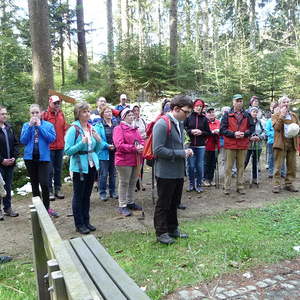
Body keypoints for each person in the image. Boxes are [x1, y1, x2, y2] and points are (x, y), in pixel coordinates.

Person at [153, 94, 194, 245]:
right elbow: (158, 150)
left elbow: (175, 144)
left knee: (174, 202)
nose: (188, 115)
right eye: (186, 112)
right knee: (163, 203)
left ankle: (173, 228)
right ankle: (161, 232)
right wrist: (181, 153)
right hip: (165, 172)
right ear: (176, 109)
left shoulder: (179, 123)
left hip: (177, 170)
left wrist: (184, 150)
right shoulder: (162, 124)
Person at [64, 102, 103, 234]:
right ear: (78, 114)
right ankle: (79, 224)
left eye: (88, 111)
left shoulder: (91, 128)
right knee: (78, 196)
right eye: (84, 111)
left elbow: (96, 150)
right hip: (79, 168)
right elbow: (68, 151)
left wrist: (98, 141)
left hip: (91, 166)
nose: (87, 114)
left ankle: (86, 221)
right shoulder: (73, 130)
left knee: (87, 195)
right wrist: (82, 143)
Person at [20, 104, 58, 217]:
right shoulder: (26, 125)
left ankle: (47, 208)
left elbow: (51, 139)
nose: (35, 115)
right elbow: (23, 140)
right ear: (29, 114)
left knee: (45, 183)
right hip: (29, 158)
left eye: (37, 112)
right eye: (32, 113)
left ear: (41, 113)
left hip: (44, 158)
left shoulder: (48, 125)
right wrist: (31, 127)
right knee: (34, 184)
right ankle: (38, 208)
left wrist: (40, 126)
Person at [220, 94, 254, 195]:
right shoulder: (227, 114)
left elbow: (252, 128)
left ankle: (240, 186)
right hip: (230, 145)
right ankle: (227, 187)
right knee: (228, 167)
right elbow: (222, 129)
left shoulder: (247, 115)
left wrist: (245, 134)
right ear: (233, 102)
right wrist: (233, 134)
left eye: (241, 101)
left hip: (243, 144)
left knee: (241, 166)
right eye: (237, 101)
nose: (239, 102)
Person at [113, 108, 144, 217]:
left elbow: (141, 140)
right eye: (129, 115)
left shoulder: (135, 128)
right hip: (123, 160)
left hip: (136, 159)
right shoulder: (118, 128)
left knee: (133, 181)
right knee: (124, 182)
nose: (132, 117)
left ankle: (130, 202)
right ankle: (122, 205)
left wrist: (141, 146)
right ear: (123, 117)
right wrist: (134, 148)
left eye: (132, 115)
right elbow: (119, 145)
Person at [42, 96, 68, 201]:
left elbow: (64, 128)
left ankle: (58, 189)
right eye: (55, 103)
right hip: (49, 147)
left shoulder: (61, 113)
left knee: (58, 169)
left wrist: (65, 138)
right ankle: (49, 190)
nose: (57, 105)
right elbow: (41, 130)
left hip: (60, 146)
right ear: (50, 103)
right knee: (49, 170)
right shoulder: (45, 115)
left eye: (58, 103)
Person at [272, 96, 299, 193]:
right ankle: (276, 185)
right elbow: (277, 128)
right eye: (284, 102)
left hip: (292, 142)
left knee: (292, 165)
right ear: (280, 104)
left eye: (287, 102)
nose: (286, 104)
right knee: (278, 166)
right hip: (281, 143)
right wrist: (282, 115)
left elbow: (298, 127)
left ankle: (289, 184)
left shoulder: (294, 115)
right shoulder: (275, 115)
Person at [184, 99, 211, 192]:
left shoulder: (204, 119)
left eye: (200, 106)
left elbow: (208, 133)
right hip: (190, 145)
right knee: (191, 166)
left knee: (199, 166)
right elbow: (184, 129)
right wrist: (191, 131)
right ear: (193, 107)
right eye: (197, 106)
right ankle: (191, 184)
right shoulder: (188, 117)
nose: (199, 108)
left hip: (201, 146)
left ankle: (199, 184)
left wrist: (201, 132)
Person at [94, 105, 118, 201]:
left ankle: (113, 191)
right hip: (104, 153)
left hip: (114, 152)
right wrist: (107, 145)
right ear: (102, 114)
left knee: (113, 173)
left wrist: (116, 145)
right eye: (107, 112)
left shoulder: (115, 124)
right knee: (103, 174)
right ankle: (102, 192)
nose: (109, 113)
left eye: (110, 112)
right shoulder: (98, 125)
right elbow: (98, 140)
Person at [0, 106, 19, 218]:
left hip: (10, 163)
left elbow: (16, 144)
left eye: (5, 114)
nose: (5, 116)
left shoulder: (9, 128)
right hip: (0, 164)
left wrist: (14, 157)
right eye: (2, 114)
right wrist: (2, 160)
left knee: (7, 186)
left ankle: (7, 208)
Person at [244, 107, 265, 184]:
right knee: (245, 161)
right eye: (253, 112)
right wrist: (250, 137)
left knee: (255, 161)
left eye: (256, 112)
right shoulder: (246, 121)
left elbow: (264, 131)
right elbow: (244, 132)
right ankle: (240, 176)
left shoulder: (260, 122)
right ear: (250, 112)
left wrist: (259, 137)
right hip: (248, 145)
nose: (255, 113)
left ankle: (255, 178)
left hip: (258, 145)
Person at [203, 107, 220, 186]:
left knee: (213, 163)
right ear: (206, 114)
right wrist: (212, 132)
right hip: (206, 145)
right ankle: (205, 179)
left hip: (216, 146)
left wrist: (218, 132)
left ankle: (211, 178)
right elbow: (204, 132)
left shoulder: (218, 122)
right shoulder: (204, 122)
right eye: (209, 112)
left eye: (212, 112)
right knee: (206, 163)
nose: (211, 114)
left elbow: (222, 131)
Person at [132, 105, 147, 191]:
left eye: (138, 110)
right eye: (134, 111)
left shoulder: (142, 120)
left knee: (141, 165)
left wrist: (145, 135)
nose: (136, 112)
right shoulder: (131, 121)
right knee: (134, 165)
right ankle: (134, 183)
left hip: (142, 145)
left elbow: (145, 130)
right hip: (134, 146)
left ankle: (140, 183)